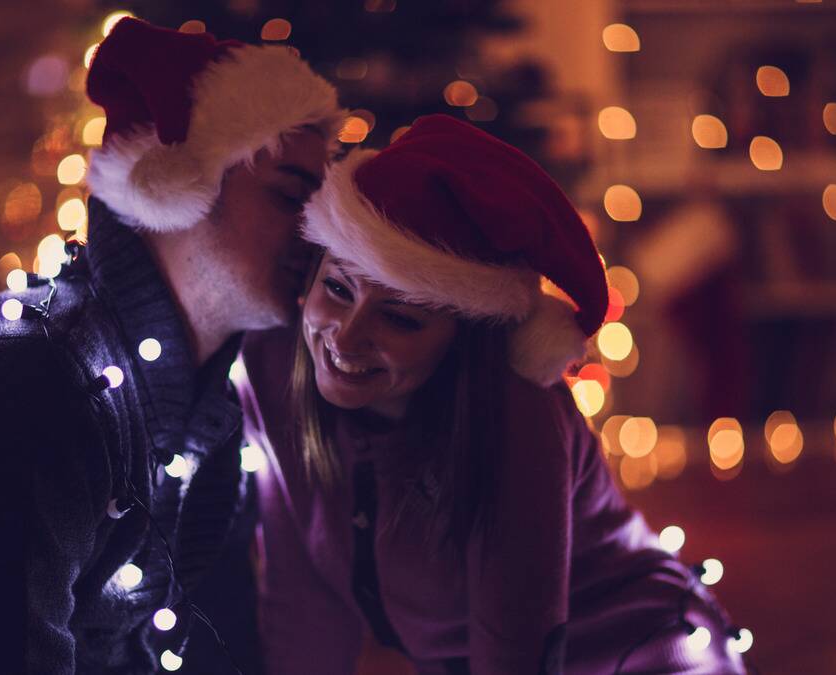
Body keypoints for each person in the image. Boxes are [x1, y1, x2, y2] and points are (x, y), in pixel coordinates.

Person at [0, 18, 341, 674]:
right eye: (290, 195)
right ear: (180, 184)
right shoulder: (31, 383)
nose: (317, 230)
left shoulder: (212, 417)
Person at [237, 115, 748, 674]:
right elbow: (303, 602)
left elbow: (517, 652)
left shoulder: (515, 419)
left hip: (641, 657)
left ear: (463, 339)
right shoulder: (271, 365)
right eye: (337, 288)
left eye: (402, 320)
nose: (347, 337)